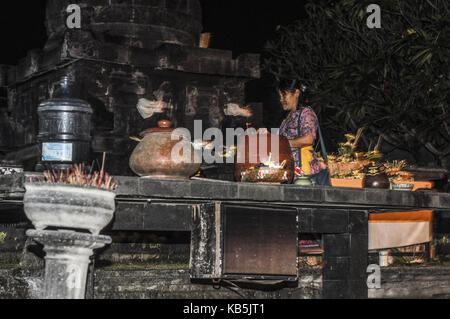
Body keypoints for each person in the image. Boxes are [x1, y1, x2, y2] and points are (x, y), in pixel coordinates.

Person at [276, 79, 331, 186]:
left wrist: (283, 143)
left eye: (284, 95)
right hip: (290, 173)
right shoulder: (287, 118)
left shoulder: (306, 113)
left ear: (296, 93)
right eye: (280, 96)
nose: (281, 99)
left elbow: (308, 139)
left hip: (304, 174)